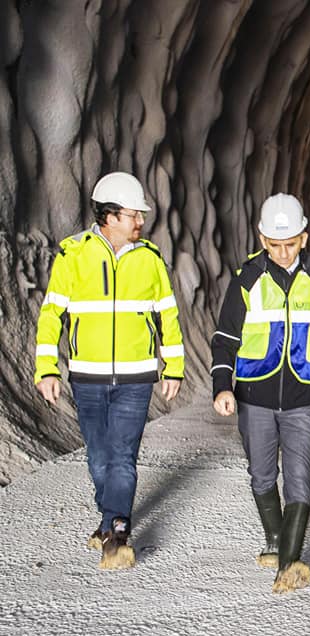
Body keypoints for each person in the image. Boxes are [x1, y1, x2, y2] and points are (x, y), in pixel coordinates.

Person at [34, 171, 184, 570]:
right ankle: (108, 517)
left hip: (136, 378)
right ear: (110, 216)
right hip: (88, 376)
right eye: (134, 215)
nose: (140, 222)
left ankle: (118, 532)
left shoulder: (150, 260)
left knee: (122, 457)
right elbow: (51, 314)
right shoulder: (73, 256)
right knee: (99, 458)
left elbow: (168, 316)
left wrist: (175, 367)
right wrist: (46, 367)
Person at [210, 193, 310, 593]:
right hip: (255, 395)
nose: (283, 252)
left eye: (291, 243)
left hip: (306, 396)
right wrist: (223, 387)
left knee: (300, 478)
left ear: (304, 237)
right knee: (262, 475)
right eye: (275, 244)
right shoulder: (247, 279)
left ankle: (290, 562)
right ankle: (275, 536)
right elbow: (224, 339)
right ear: (262, 239)